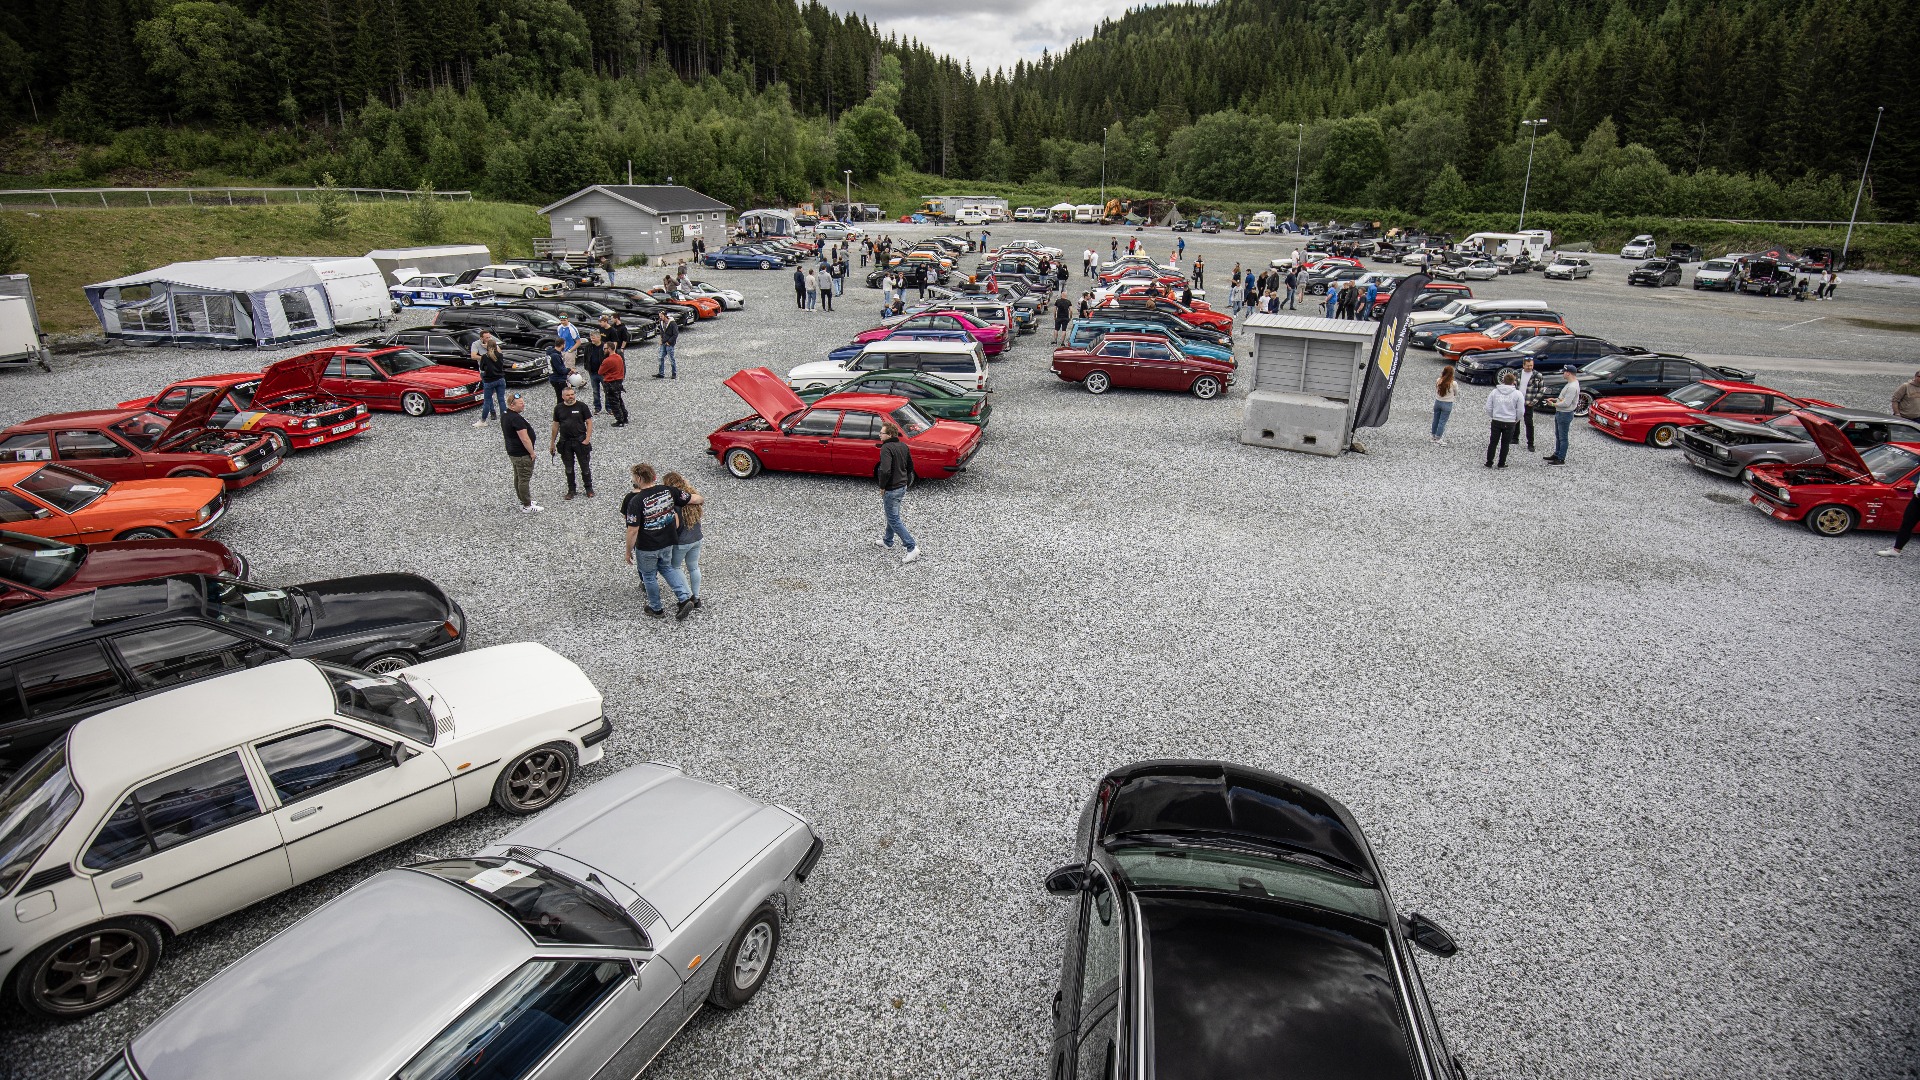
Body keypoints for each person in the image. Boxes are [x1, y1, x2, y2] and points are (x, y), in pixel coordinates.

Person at [621, 463, 695, 620]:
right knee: (667, 568)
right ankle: (684, 598)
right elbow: (688, 498)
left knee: (648, 576)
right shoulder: (668, 491)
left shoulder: (636, 501)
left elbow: (632, 530)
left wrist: (628, 551)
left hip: (647, 546)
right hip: (668, 541)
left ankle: (656, 608)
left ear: (639, 478)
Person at [875, 420, 919, 563]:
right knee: (892, 514)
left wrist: (882, 486)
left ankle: (911, 547)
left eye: (881, 433)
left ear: (889, 435)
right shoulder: (903, 446)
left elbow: (885, 470)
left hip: (892, 488)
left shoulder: (886, 448)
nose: (879, 435)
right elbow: (910, 466)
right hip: (902, 486)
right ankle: (888, 541)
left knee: (893, 518)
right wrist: (904, 479)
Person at [663, 471, 704, 605]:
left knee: (675, 567)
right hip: (697, 538)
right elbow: (701, 500)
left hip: (682, 542)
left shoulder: (673, 501)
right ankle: (696, 597)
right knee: (693, 567)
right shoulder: (692, 495)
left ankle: (687, 595)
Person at [550, 385, 595, 499]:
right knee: (569, 468)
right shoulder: (558, 408)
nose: (570, 397)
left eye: (572, 394)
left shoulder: (582, 406)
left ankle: (588, 488)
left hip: (580, 441)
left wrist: (587, 438)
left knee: (585, 467)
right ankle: (571, 490)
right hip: (565, 442)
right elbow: (555, 425)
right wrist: (552, 443)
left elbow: (589, 422)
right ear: (563, 396)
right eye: (568, 395)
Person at [501, 392, 541, 513]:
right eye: (520, 403)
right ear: (512, 405)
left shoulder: (506, 414)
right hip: (522, 454)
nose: (523, 405)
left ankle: (523, 500)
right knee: (524, 479)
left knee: (518, 477)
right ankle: (527, 505)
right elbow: (524, 438)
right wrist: (532, 452)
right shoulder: (516, 419)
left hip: (513, 452)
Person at [1485, 369, 1524, 467]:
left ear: (1503, 380)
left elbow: (1488, 407)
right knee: (1505, 443)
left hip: (1497, 419)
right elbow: (1520, 410)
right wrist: (1516, 419)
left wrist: (1493, 415)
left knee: (1493, 442)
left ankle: (1489, 462)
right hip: (1510, 421)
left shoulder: (1494, 392)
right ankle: (1501, 463)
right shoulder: (1518, 394)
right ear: (1513, 382)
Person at [1545, 367, 1580, 465]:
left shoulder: (1572, 387)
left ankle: (1561, 458)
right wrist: (1556, 399)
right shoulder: (1571, 384)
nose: (1562, 374)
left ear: (1568, 373)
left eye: (1564, 372)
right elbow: (1564, 399)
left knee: (1563, 437)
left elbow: (1566, 403)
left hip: (1565, 413)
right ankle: (1557, 454)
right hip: (1561, 413)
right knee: (1558, 435)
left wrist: (1553, 404)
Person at [474, 331, 506, 427]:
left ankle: (483, 421)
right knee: (501, 399)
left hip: (489, 380)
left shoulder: (485, 357)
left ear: (487, 347)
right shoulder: (500, 355)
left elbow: (482, 368)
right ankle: (504, 419)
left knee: (487, 401)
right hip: (500, 379)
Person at [578, 330, 607, 413]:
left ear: (599, 337)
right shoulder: (588, 346)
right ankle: (597, 408)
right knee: (595, 391)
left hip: (603, 373)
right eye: (591, 337)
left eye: (593, 338)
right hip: (593, 372)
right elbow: (585, 358)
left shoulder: (604, 346)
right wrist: (587, 367)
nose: (592, 339)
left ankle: (608, 408)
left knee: (607, 390)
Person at [599, 342, 628, 425]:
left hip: (611, 383)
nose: (603, 350)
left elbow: (600, 371)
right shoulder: (619, 357)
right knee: (619, 400)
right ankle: (624, 417)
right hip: (619, 382)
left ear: (609, 349)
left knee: (614, 402)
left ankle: (620, 420)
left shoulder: (608, 360)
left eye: (605, 348)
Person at [1516, 357, 1539, 452]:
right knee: (1515, 420)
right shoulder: (1516, 373)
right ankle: (1514, 437)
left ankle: (1530, 443)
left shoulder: (1537, 375)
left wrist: (1533, 401)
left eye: (1531, 365)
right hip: (1517, 401)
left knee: (1529, 423)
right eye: (1528, 365)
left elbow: (1541, 389)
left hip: (1528, 403)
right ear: (1523, 365)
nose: (1530, 367)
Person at [1431, 365, 1457, 445]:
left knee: (1435, 419)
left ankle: (1433, 436)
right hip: (1447, 403)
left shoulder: (1439, 380)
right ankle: (1438, 438)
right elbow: (1456, 393)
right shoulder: (1453, 383)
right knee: (1442, 421)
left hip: (1438, 402)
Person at [655, 312, 679, 379]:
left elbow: (675, 334)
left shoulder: (672, 323)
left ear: (665, 316)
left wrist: (669, 342)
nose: (660, 318)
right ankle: (661, 373)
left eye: (661, 316)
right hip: (663, 343)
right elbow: (661, 332)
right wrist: (661, 339)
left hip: (669, 344)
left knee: (671, 359)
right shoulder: (661, 323)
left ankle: (674, 373)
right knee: (660, 357)